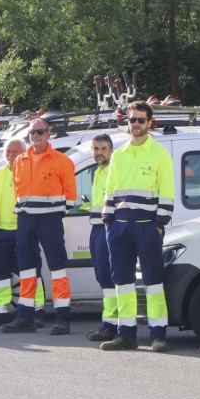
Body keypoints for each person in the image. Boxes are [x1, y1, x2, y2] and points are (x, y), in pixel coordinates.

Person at [101, 101, 174, 353]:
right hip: (119, 228)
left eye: (141, 120)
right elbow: (110, 192)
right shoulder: (119, 155)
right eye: (132, 120)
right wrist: (108, 222)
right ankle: (126, 334)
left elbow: (167, 193)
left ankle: (158, 335)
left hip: (147, 228)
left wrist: (159, 224)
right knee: (122, 282)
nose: (136, 124)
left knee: (153, 282)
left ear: (149, 123)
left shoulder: (160, 154)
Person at [3, 118, 77, 335]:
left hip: (50, 219)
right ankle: (25, 316)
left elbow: (70, 196)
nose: (35, 135)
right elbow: (18, 191)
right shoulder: (20, 160)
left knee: (57, 268)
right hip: (26, 218)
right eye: (32, 132)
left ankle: (63, 318)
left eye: (39, 131)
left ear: (48, 134)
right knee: (26, 268)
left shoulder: (62, 160)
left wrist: (55, 213)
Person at [0, 139, 36, 326]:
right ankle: (1, 310)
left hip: (23, 228)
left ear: (23, 153)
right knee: (0, 271)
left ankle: (35, 310)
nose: (11, 156)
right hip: (0, 230)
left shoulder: (30, 171)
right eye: (8, 152)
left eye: (15, 152)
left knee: (29, 269)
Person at [86, 134, 119, 342]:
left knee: (108, 277)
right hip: (97, 228)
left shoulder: (113, 170)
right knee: (102, 276)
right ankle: (110, 322)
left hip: (109, 228)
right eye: (96, 148)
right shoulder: (98, 171)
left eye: (103, 149)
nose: (99, 152)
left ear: (111, 150)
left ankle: (111, 324)